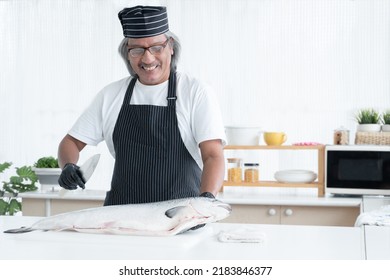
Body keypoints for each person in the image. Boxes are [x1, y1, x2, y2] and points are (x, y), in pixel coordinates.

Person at [57, 5, 226, 206]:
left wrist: (205, 202)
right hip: (122, 217)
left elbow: (213, 156)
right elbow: (71, 142)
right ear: (127, 54)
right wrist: (68, 165)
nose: (147, 58)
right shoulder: (111, 95)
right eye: (137, 50)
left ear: (170, 47)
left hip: (179, 216)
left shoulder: (195, 92)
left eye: (156, 48)